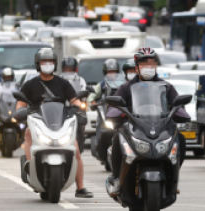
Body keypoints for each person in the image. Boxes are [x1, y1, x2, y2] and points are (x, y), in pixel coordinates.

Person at [105, 48, 190, 197]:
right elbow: (113, 107)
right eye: (144, 64)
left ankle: (172, 177)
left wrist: (180, 113)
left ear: (156, 65)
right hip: (134, 128)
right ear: (137, 67)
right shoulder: (126, 88)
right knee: (116, 139)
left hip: (161, 129)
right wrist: (118, 113)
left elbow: (178, 106)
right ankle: (117, 178)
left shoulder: (166, 87)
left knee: (180, 140)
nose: (148, 67)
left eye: (151, 63)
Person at [16, 48, 93, 198]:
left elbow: (74, 101)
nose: (47, 64)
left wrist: (79, 108)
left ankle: (81, 187)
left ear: (55, 64)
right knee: (27, 134)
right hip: (37, 122)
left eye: (50, 62)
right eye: (44, 62)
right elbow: (20, 104)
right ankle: (30, 166)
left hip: (60, 123)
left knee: (75, 149)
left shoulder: (63, 83)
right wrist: (20, 112)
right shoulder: (30, 84)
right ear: (38, 64)